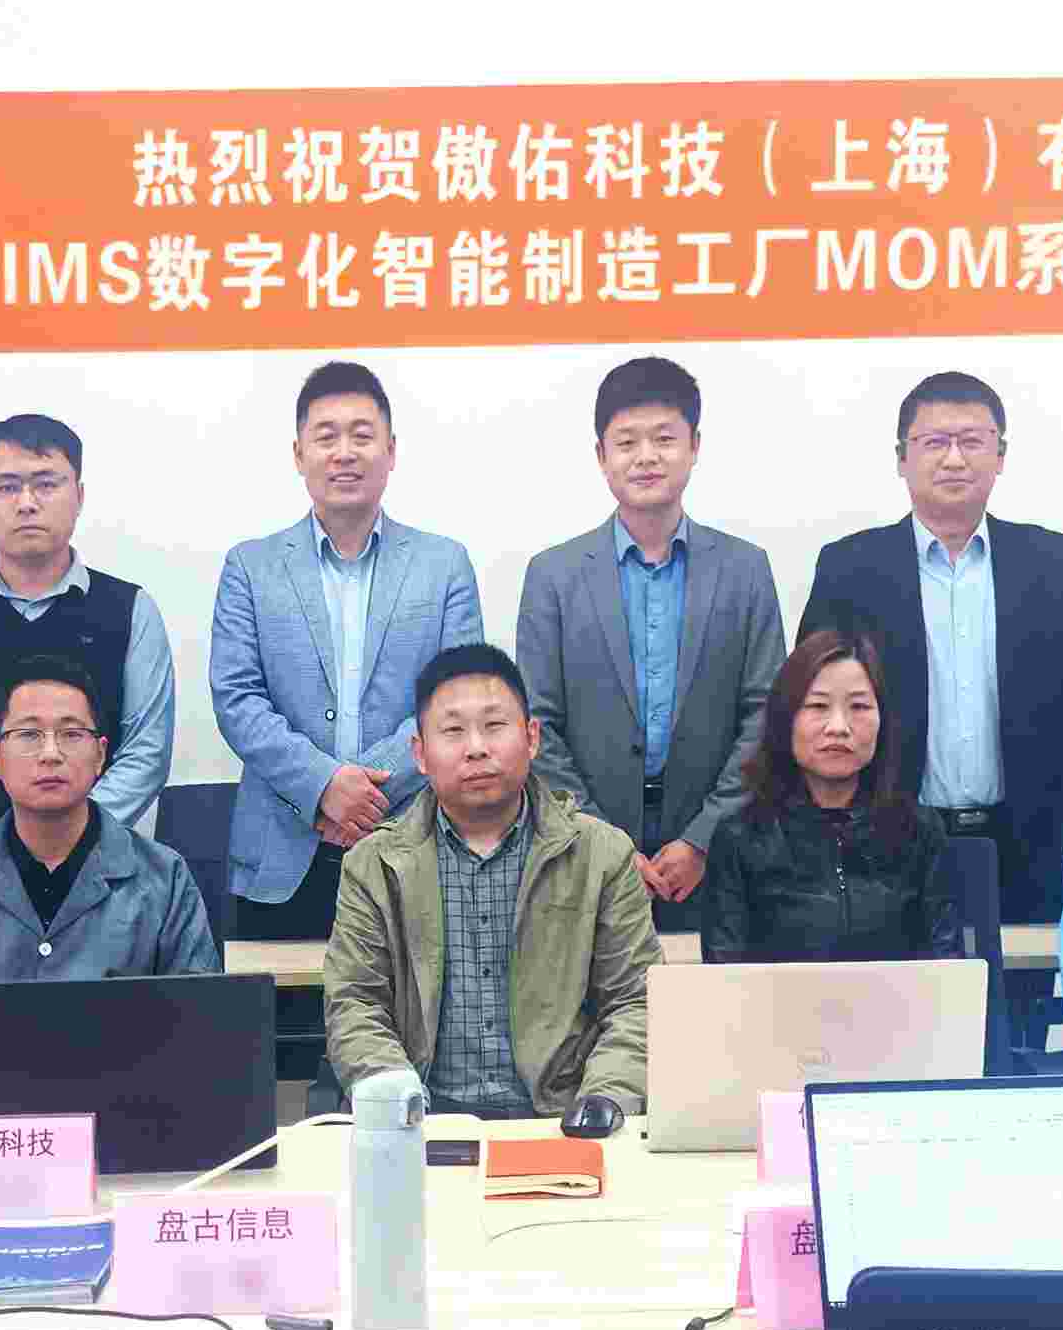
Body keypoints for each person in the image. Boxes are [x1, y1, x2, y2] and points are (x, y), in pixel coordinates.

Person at [800, 371, 1063, 924]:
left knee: (1024, 979)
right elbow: (811, 713)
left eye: (971, 441)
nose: (954, 459)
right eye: (934, 442)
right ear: (901, 458)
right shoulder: (849, 568)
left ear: (1000, 455)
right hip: (884, 845)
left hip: (1029, 847)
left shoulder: (1051, 562)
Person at [210, 360, 484, 941]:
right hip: (282, 857)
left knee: (419, 1004)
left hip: (413, 847)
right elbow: (237, 699)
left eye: (362, 435)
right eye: (326, 437)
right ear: (298, 453)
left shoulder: (444, 565)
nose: (344, 453)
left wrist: (366, 794)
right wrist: (323, 785)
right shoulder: (250, 567)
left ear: (391, 451)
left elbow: (457, 703)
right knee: (282, 1003)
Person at [322, 643, 657, 1118]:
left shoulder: (602, 854)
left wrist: (604, 1100)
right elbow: (355, 1002)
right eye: (453, 730)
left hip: (561, 1120)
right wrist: (395, 1094)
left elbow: (634, 1001)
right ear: (419, 753)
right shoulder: (373, 865)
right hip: (423, 1121)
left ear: (532, 738)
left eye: (494, 725)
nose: (476, 747)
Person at [517, 355, 785, 934]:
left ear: (694, 446)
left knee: (711, 991)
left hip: (718, 855)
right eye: (626, 442)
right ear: (601, 455)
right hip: (582, 852)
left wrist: (703, 838)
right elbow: (538, 725)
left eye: (664, 439)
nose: (645, 457)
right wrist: (603, 842)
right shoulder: (553, 576)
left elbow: (766, 714)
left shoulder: (745, 570)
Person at [0, 654, 218, 1109]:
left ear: (100, 754)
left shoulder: (164, 879)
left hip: (127, 1122)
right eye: (28, 734)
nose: (50, 753)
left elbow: (198, 1022)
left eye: (71, 734)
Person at [0, 414, 174, 852]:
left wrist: (74, 845)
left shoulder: (131, 608)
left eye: (46, 484)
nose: (26, 503)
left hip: (103, 865)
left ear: (79, 495)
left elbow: (147, 750)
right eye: (6, 487)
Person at [702, 629, 956, 963]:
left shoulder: (921, 833)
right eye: (818, 706)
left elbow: (949, 972)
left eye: (859, 706)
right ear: (785, 719)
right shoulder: (739, 839)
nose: (839, 727)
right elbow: (724, 981)